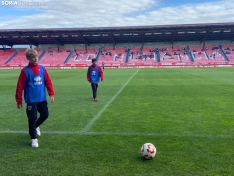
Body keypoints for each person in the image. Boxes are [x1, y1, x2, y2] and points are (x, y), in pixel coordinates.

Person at [15, 48, 54, 148]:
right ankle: (33, 139)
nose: (35, 59)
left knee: (45, 115)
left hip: (42, 98)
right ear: (28, 58)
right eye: (33, 58)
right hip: (31, 100)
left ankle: (36, 127)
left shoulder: (42, 68)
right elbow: (20, 86)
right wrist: (19, 100)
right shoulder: (25, 71)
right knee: (32, 119)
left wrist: (51, 93)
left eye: (36, 57)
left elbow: (48, 81)